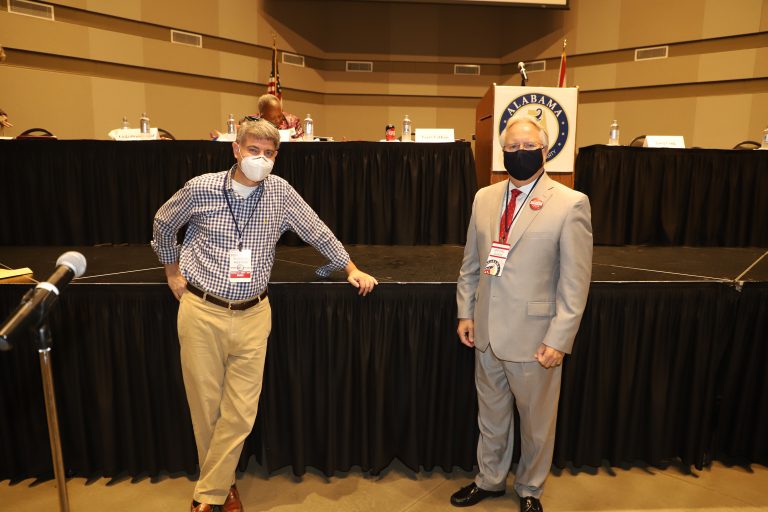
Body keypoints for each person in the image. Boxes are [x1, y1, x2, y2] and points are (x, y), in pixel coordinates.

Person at [152, 119, 377, 512]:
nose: (260, 159)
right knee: (206, 408)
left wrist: (350, 268)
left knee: (240, 412)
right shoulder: (201, 187)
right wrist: (172, 271)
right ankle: (222, 489)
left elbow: (317, 231)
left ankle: (208, 492)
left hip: (254, 313)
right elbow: (163, 223)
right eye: (253, 150)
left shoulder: (280, 192)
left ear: (276, 156)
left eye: (268, 153)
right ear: (236, 149)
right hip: (202, 310)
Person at [451, 116, 592, 512]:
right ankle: (490, 479)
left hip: (535, 339)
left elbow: (575, 282)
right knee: (491, 416)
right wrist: (466, 313)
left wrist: (559, 339)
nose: (520, 153)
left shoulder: (571, 203)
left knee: (536, 424)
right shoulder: (484, 198)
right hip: (486, 333)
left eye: (528, 147)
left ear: (545, 151)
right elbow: (471, 263)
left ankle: (530, 489)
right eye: (511, 148)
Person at [211, 94, 303, 141]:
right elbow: (236, 136)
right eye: (273, 118)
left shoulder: (293, 122)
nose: (278, 120)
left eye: (280, 116)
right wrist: (223, 137)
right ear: (262, 116)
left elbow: (302, 142)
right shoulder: (249, 122)